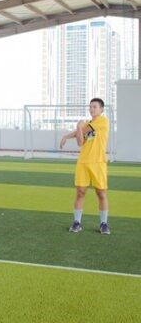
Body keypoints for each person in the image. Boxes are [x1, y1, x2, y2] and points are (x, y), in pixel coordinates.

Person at [60, 98, 110, 235]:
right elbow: (80, 140)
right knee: (80, 192)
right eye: (90, 106)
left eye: (94, 107)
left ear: (101, 109)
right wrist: (66, 136)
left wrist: (79, 126)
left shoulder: (103, 121)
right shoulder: (87, 124)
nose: (91, 109)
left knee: (101, 193)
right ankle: (77, 222)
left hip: (98, 162)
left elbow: (81, 132)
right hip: (83, 162)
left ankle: (104, 223)